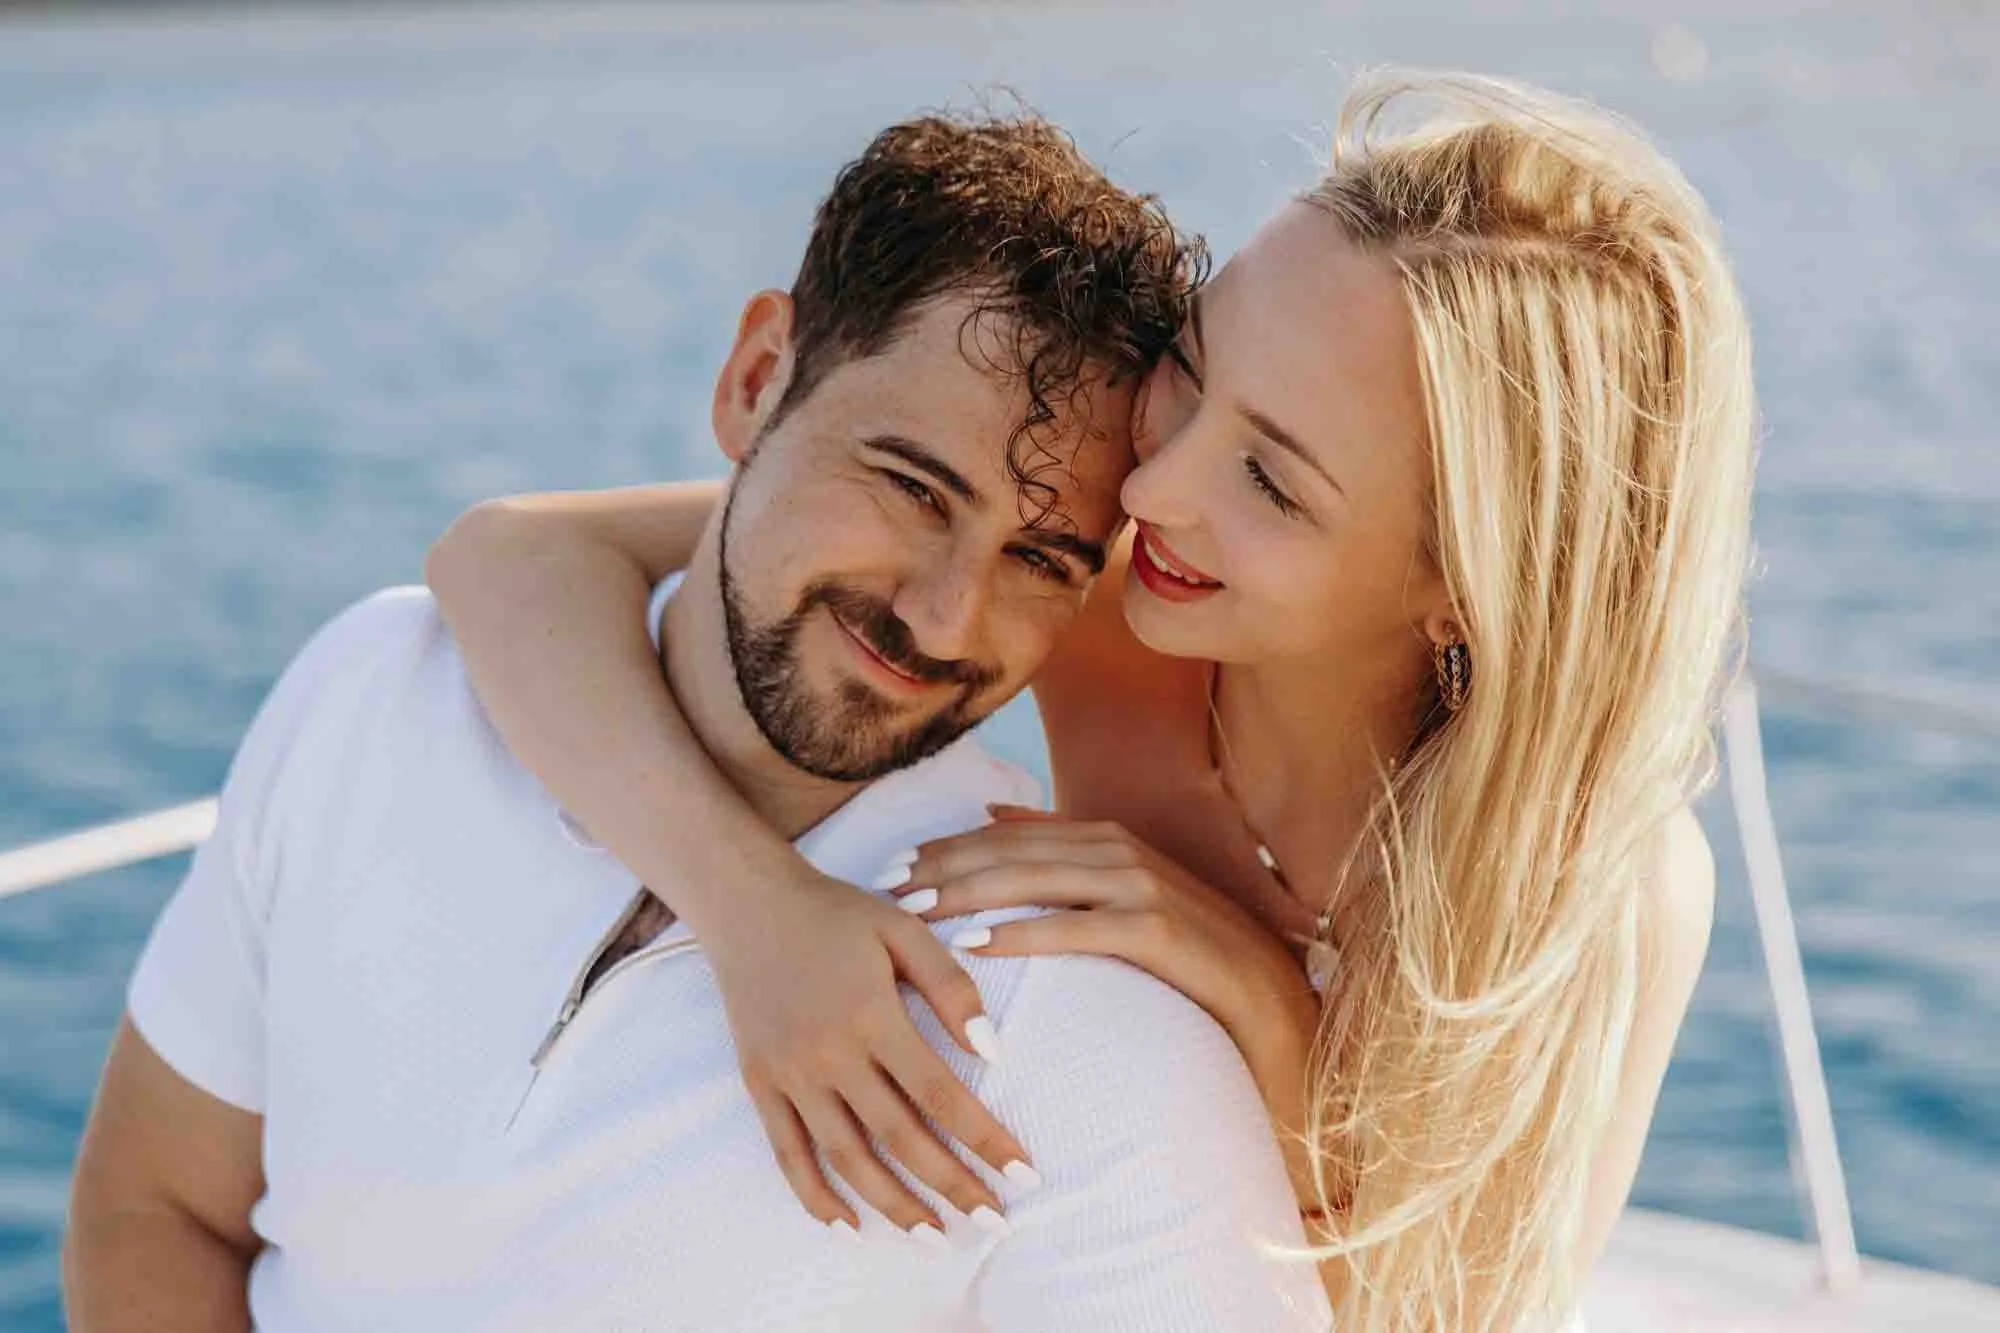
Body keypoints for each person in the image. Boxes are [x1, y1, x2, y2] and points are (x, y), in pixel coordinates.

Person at [424, 70, 1756, 1333]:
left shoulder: (1594, 895)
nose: (1150, 489)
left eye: (1274, 484)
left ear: (1460, 589)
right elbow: (508, 557)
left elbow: (1430, 1316)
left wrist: (1264, 1011)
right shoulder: (1096, 592)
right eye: (1193, 366)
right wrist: (755, 913)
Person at [63, 112, 1337, 1333]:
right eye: (909, 488)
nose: (946, 618)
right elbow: (153, 1207)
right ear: (753, 380)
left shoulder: (1070, 1021)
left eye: (1042, 561)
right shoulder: (370, 693)